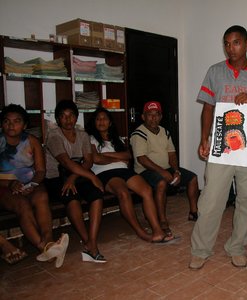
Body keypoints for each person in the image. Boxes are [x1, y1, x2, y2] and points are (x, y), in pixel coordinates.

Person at [190, 25, 247, 269]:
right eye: (227, 43)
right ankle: (201, 249)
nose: (231, 48)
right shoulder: (215, 71)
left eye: (236, 43)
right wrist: (204, 138)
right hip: (221, 141)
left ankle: (237, 246)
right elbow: (207, 106)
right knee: (211, 197)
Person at [86, 107, 178, 243]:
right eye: (98, 119)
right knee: (123, 193)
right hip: (105, 173)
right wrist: (117, 158)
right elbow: (96, 159)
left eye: (104, 119)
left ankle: (157, 230)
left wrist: (105, 155)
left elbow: (128, 155)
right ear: (94, 122)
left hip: (124, 171)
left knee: (146, 190)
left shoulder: (116, 139)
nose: (101, 122)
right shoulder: (90, 139)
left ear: (110, 122)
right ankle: (141, 232)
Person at [0, 104, 69, 268]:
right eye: (7, 121)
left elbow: (40, 170)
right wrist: (10, 184)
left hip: (30, 184)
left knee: (42, 197)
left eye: (16, 121)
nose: (11, 125)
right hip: (4, 186)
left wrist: (33, 184)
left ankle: (49, 241)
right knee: (22, 204)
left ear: (24, 125)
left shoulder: (32, 141)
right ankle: (43, 246)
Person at [44, 100, 106, 263]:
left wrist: (73, 177)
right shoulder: (53, 135)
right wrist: (92, 176)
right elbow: (65, 162)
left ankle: (92, 240)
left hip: (78, 176)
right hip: (56, 178)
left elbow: (88, 161)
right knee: (72, 198)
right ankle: (89, 244)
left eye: (71, 115)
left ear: (76, 117)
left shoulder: (83, 135)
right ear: (58, 119)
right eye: (63, 116)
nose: (68, 119)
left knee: (97, 195)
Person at [130, 101, 199, 236]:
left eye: (157, 115)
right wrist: (163, 172)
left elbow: (172, 154)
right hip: (144, 171)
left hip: (165, 168)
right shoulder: (138, 134)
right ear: (143, 117)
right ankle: (162, 220)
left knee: (192, 178)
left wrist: (176, 171)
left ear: (160, 117)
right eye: (150, 115)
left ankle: (193, 212)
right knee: (161, 183)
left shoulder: (165, 132)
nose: (153, 118)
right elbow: (142, 159)